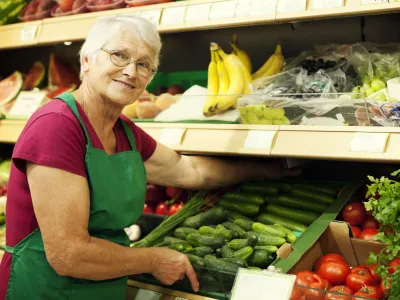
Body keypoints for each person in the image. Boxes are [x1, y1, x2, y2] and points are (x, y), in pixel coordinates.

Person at [0, 16, 298, 300]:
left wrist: (264, 170)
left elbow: (189, 169)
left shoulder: (124, 131)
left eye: (144, 64)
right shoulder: (56, 125)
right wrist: (152, 259)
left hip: (103, 285)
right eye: (118, 55)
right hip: (43, 288)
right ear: (86, 61)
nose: (131, 71)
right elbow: (68, 254)